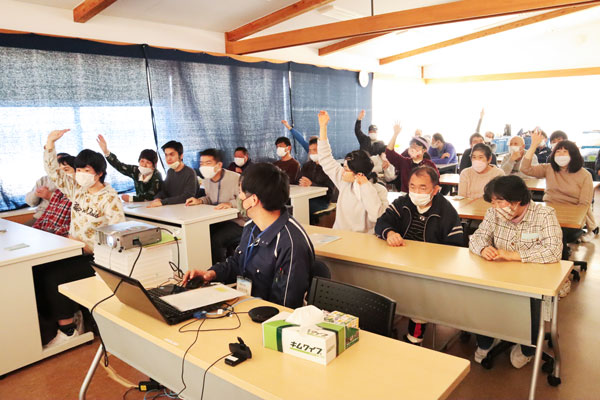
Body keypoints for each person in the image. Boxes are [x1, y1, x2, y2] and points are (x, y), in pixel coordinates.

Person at [182, 163, 314, 308]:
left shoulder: (291, 244)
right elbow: (238, 262)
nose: (239, 197)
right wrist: (212, 274)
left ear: (253, 200)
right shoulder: (251, 226)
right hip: (246, 305)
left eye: (240, 192)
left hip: (267, 315)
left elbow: (285, 306)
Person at [38, 129, 125, 347]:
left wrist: (88, 247)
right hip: (74, 250)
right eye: (78, 170)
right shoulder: (78, 190)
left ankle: (69, 329)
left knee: (53, 276)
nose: (81, 174)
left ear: (99, 173)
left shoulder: (110, 199)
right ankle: (66, 317)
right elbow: (54, 173)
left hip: (96, 258)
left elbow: (119, 237)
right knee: (39, 270)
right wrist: (50, 144)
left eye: (86, 170)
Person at [469, 175, 562, 369]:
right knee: (481, 297)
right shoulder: (494, 213)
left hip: (533, 281)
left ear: (517, 200)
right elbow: (477, 237)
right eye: (492, 201)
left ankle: (528, 348)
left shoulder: (544, 215)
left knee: (530, 306)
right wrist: (483, 248)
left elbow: (554, 251)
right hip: (499, 276)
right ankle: (486, 340)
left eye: (499, 201)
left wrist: (514, 255)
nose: (495, 206)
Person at [375, 166, 463, 345]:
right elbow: (382, 222)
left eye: (422, 188)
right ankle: (383, 323)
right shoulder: (402, 203)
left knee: (420, 299)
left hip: (430, 269)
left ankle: (415, 338)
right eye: (412, 186)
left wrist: (433, 260)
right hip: (400, 262)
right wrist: (390, 232)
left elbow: (456, 247)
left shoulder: (446, 211)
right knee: (377, 284)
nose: (416, 192)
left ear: (435, 190)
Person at [318, 110, 388, 233]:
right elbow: (325, 158)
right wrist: (323, 127)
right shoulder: (344, 181)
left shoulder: (378, 189)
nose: (343, 171)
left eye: (346, 169)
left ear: (359, 173)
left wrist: (364, 186)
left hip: (364, 239)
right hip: (340, 235)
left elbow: (377, 217)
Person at [521, 131, 597, 242]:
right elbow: (525, 169)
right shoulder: (549, 168)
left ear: (573, 155)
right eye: (558, 152)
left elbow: (584, 204)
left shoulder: (585, 175)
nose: (561, 155)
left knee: (552, 235)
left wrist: (575, 220)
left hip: (571, 216)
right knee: (527, 233)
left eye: (565, 152)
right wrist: (533, 146)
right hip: (549, 212)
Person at [185, 149, 244, 263]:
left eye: (208, 163)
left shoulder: (235, 178)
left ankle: (219, 270)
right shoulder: (207, 180)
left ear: (219, 165)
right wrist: (200, 201)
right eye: (201, 163)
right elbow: (210, 198)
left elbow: (245, 200)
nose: (204, 167)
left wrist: (230, 204)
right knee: (200, 234)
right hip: (218, 221)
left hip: (238, 222)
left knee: (216, 239)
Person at [96, 135, 162, 202]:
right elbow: (119, 166)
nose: (144, 165)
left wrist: (131, 198)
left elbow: (150, 196)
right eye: (142, 161)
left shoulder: (157, 175)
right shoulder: (135, 170)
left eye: (148, 162)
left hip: (155, 205)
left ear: (154, 165)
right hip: (139, 205)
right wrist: (106, 151)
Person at [385, 122, 439, 193]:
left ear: (424, 150)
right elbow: (389, 152)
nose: (413, 148)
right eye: (411, 146)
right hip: (406, 195)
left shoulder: (430, 165)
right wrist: (395, 134)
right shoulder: (404, 162)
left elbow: (436, 183)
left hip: (423, 195)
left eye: (416, 146)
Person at [32, 153, 76, 237]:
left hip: (58, 236)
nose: (62, 175)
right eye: (59, 171)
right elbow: (45, 217)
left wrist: (52, 234)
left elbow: (73, 226)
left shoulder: (77, 195)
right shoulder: (58, 192)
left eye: (66, 170)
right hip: (46, 233)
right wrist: (36, 230)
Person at [299, 137, 338, 224]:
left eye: (315, 150)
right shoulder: (306, 166)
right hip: (304, 197)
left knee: (304, 208)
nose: (312, 153)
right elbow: (299, 180)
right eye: (310, 150)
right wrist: (301, 182)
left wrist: (311, 184)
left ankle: (308, 228)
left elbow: (330, 189)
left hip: (322, 200)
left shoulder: (329, 167)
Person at [149, 140, 198, 207]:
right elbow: (163, 191)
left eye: (172, 155)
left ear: (181, 156)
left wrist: (163, 202)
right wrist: (158, 198)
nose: (168, 158)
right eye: (166, 155)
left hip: (186, 209)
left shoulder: (190, 172)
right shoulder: (170, 172)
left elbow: (187, 196)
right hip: (172, 208)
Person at [25, 154, 68, 226]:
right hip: (40, 216)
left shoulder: (72, 180)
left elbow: (70, 205)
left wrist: (50, 196)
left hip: (60, 219)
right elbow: (30, 203)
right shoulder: (43, 179)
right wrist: (36, 193)